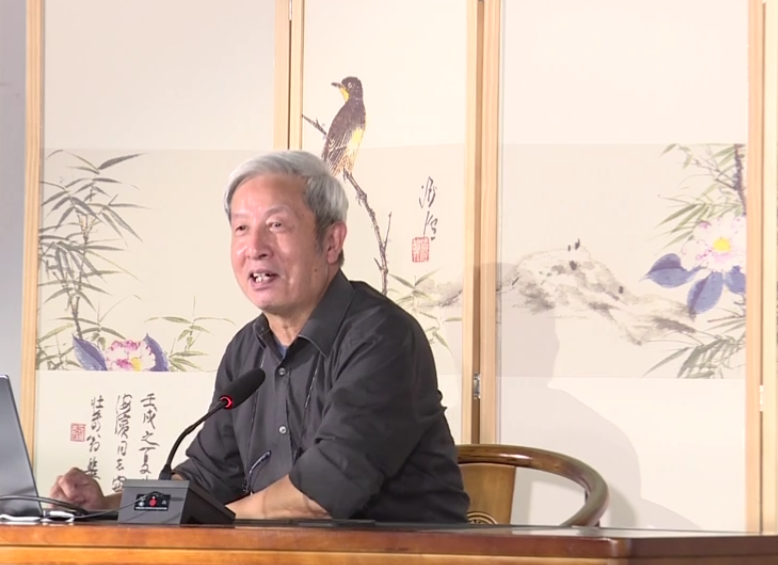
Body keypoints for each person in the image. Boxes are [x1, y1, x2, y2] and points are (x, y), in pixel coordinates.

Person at [50, 150, 470, 523]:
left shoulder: (381, 337)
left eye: (276, 225)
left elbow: (323, 493)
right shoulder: (246, 351)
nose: (255, 247)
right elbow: (207, 478)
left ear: (331, 241)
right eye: (241, 228)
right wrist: (108, 506)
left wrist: (213, 519)